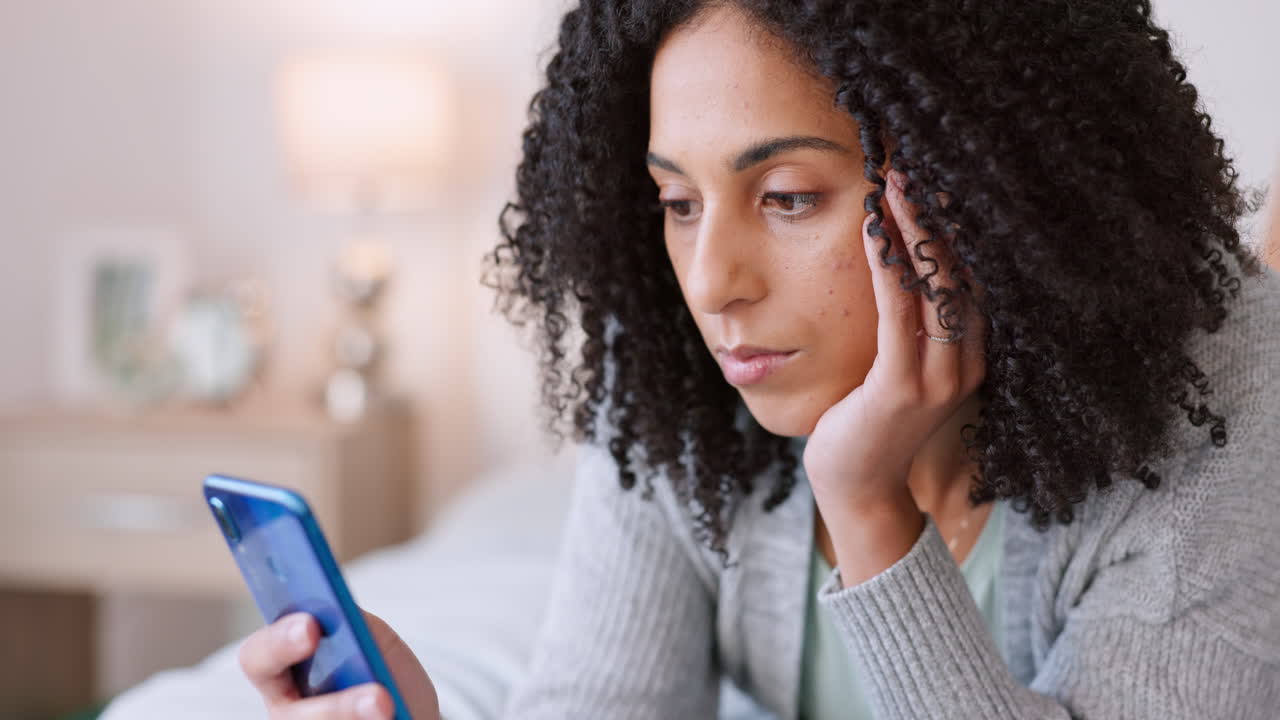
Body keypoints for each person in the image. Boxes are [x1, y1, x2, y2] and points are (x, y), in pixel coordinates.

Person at [237, 1, 1280, 718]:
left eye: (786, 198)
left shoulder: (1222, 412)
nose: (708, 281)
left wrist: (867, 511)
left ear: (979, 181)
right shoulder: (676, 378)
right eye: (676, 204)